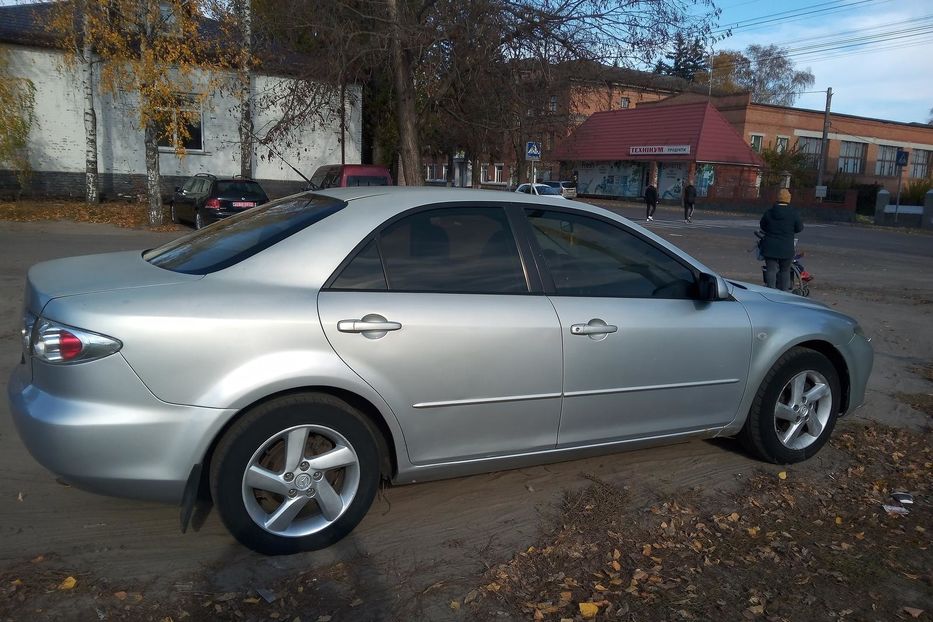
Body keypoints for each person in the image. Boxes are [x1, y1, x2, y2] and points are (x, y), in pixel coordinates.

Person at [759, 188, 803, 291]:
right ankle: (784, 293)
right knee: (785, 271)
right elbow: (799, 228)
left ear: (777, 199)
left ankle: (770, 292)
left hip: (770, 246)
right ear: (789, 199)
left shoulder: (769, 212)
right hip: (786, 247)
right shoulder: (794, 213)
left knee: (771, 270)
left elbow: (763, 226)